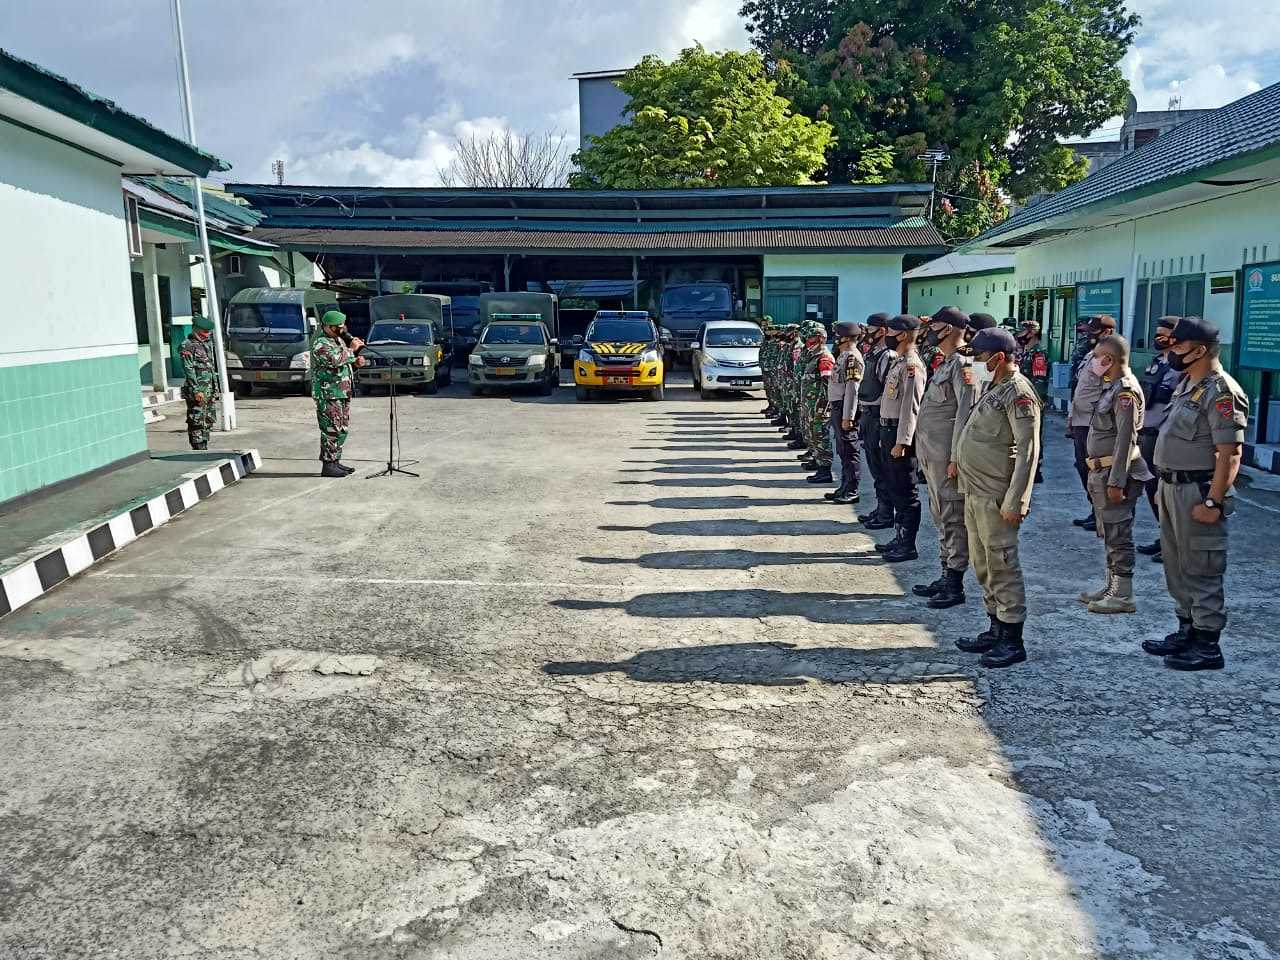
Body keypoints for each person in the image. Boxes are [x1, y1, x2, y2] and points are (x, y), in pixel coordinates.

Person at [1143, 316, 1247, 671]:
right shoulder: (1188, 383)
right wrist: (1162, 486)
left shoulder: (1221, 391)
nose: (1170, 350)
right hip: (1172, 487)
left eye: (1177, 345)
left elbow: (1230, 453)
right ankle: (1186, 628)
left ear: (1199, 350)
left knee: (1201, 566)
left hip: (1198, 490)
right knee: (1176, 564)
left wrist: (1213, 501)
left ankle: (1207, 644)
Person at [953, 327, 1041, 668]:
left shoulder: (1018, 393)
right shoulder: (994, 386)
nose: (973, 363)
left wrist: (1018, 498)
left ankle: (1012, 637)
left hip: (997, 495)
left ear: (998, 358)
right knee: (983, 563)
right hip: (975, 492)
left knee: (1002, 564)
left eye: (978, 357)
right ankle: (995, 625)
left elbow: (1028, 451)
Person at [912, 307, 995, 607]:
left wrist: (957, 457)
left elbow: (966, 413)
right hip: (933, 456)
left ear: (948, 329)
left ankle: (954, 582)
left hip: (948, 457)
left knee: (952, 518)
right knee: (941, 516)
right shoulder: (947, 363)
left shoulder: (965, 365)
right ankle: (945, 571)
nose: (929, 330)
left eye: (933, 325)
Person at [1076, 335, 1153, 615]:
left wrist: (1116, 481)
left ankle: (1122, 594)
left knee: (1119, 533)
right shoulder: (1111, 387)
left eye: (1097, 358)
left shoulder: (1125, 392)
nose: (1093, 363)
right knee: (1109, 532)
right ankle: (1110, 586)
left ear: (1108, 360)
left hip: (1116, 472)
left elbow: (1126, 439)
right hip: (1103, 470)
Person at [875, 314, 927, 562]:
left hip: (899, 434)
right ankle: (899, 538)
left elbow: (911, 407)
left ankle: (908, 545)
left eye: (892, 332)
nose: (888, 336)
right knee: (895, 488)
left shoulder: (911, 366)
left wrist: (903, 441)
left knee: (906, 492)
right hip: (888, 430)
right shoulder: (898, 362)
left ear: (904, 335)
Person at [1136, 316, 1184, 562]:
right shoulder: (1155, 362)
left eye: (1163, 333)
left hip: (1166, 437)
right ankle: (1164, 536)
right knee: (1152, 489)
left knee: (1167, 492)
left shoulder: (1183, 367)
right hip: (1147, 434)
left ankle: (1175, 543)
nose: (1158, 338)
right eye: (1156, 333)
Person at [1067, 315, 1116, 530]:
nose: (1087, 335)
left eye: (1092, 331)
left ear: (1106, 333)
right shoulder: (1091, 354)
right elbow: (1082, 388)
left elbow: (1108, 390)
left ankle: (1104, 514)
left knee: (1096, 468)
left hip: (1094, 423)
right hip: (1081, 419)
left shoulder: (1110, 356)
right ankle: (1095, 510)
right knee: (1082, 466)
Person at [311, 309, 365, 477]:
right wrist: (351, 350)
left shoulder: (338, 341)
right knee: (331, 430)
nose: (343, 328)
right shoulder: (321, 343)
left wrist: (355, 363)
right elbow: (333, 360)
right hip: (328, 394)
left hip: (341, 393)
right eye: (339, 326)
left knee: (341, 429)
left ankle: (335, 461)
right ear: (328, 327)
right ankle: (328, 465)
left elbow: (342, 365)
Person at [857, 313, 895, 528]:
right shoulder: (873, 352)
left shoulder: (888, 355)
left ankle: (886, 513)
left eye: (870, 329)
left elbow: (886, 389)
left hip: (879, 414)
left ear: (881, 331)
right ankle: (881, 508)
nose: (866, 333)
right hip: (869, 413)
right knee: (874, 466)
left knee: (882, 468)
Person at [827, 321, 865, 504]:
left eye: (837, 335)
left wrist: (848, 416)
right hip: (838, 406)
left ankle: (852, 490)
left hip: (845, 407)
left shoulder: (852, 357)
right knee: (843, 450)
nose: (834, 338)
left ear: (845, 337)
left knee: (850, 450)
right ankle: (844, 486)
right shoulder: (843, 356)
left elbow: (852, 389)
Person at [798, 321, 836, 483]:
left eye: (810, 337)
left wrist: (822, 408)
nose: (807, 341)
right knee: (812, 435)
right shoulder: (812, 356)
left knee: (820, 436)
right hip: (810, 405)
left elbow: (828, 387)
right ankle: (816, 459)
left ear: (820, 338)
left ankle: (825, 470)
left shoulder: (824, 358)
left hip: (820, 407)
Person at [178, 314, 221, 450]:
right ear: (196, 330)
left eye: (208, 333)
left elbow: (209, 367)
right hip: (198, 391)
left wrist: (214, 389)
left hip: (208, 390)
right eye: (204, 333)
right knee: (196, 420)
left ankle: (204, 445)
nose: (207, 335)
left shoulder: (204, 345)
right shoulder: (187, 346)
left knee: (208, 419)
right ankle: (198, 447)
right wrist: (197, 390)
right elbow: (188, 369)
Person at [1015, 319, 1050, 483]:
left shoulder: (1038, 354)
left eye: (1021, 332)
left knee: (1033, 435)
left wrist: (1035, 403)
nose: (1018, 335)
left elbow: (1039, 382)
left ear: (1032, 333)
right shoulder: (1024, 352)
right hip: (1020, 401)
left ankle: (1036, 470)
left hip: (1032, 401)